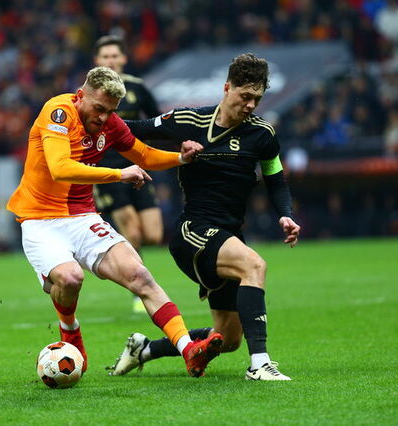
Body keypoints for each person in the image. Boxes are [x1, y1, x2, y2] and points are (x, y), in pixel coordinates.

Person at [6, 66, 223, 377]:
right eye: (99, 108)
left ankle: (188, 350)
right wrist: (119, 174)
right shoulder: (58, 112)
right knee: (70, 278)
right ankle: (70, 330)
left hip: (82, 217)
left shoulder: (110, 123)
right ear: (80, 96)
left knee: (140, 275)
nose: (104, 117)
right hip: (40, 220)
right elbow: (59, 168)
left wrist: (179, 158)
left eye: (111, 111)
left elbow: (144, 155)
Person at [107, 53, 301, 381]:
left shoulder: (263, 135)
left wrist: (285, 215)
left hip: (228, 236)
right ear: (227, 88)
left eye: (257, 98)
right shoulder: (188, 120)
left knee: (227, 338)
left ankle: (146, 349)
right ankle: (260, 364)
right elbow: (135, 130)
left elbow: (276, 179)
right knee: (254, 265)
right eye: (245, 96)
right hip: (192, 231)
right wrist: (93, 118)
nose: (251, 105)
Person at [92, 35, 163, 314]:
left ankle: (121, 256)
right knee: (131, 229)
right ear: (97, 61)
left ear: (123, 59)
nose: (110, 61)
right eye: (105, 56)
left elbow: (157, 121)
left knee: (154, 234)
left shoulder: (137, 87)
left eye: (114, 56)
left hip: (137, 167)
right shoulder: (89, 92)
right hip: (108, 169)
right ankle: (139, 289)